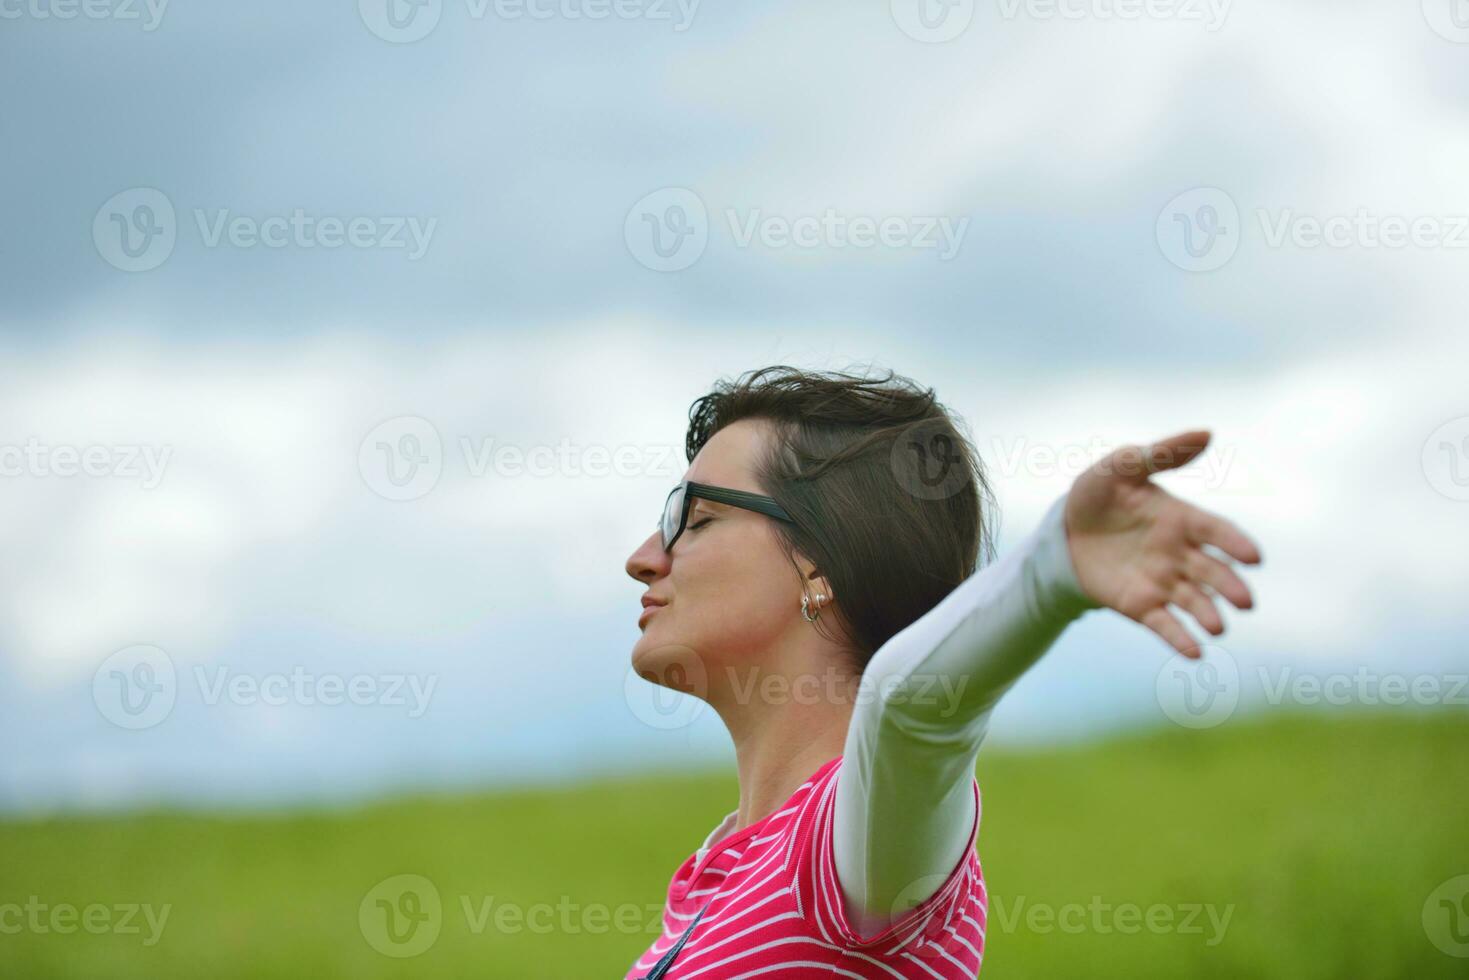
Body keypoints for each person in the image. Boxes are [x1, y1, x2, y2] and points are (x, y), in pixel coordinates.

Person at [622, 365, 1262, 979]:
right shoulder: (714, 875)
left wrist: (1050, 570)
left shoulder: (852, 856)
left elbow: (911, 709)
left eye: (695, 520)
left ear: (817, 562)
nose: (645, 558)